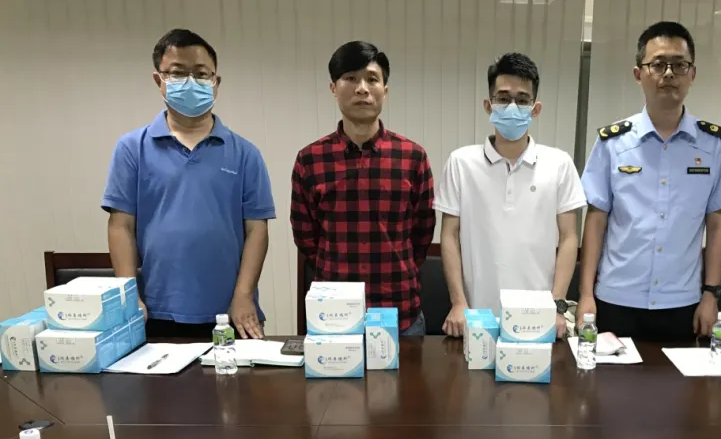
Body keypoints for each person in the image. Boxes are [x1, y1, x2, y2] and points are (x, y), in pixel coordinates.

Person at [102, 28, 275, 339]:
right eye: (178, 73)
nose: (191, 82)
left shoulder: (245, 153)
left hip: (232, 311)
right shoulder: (132, 149)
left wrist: (244, 295)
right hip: (155, 310)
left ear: (216, 82)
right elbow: (121, 226)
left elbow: (256, 231)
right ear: (159, 80)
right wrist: (130, 298)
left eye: (201, 74)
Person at [578, 21, 721, 342]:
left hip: (681, 301)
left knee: (676, 377)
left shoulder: (713, 146)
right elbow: (596, 221)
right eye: (658, 64)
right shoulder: (613, 143)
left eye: (679, 65)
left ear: (692, 74)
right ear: (639, 74)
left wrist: (711, 294)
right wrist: (585, 295)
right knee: (608, 376)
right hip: (616, 296)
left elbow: (718, 223)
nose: (668, 74)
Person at [436, 53, 586, 339]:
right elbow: (449, 236)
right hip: (476, 317)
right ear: (488, 106)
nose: (513, 107)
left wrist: (556, 306)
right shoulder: (461, 162)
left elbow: (569, 238)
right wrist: (458, 303)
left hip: (538, 318)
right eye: (503, 98)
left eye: (522, 99)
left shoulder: (559, 163)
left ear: (536, 109)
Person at [291, 41, 435, 336]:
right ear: (333, 88)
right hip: (335, 315)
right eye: (351, 78)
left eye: (372, 79)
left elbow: (422, 233)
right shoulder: (310, 160)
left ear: (385, 90)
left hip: (400, 314)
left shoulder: (412, 157)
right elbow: (306, 238)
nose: (362, 89)